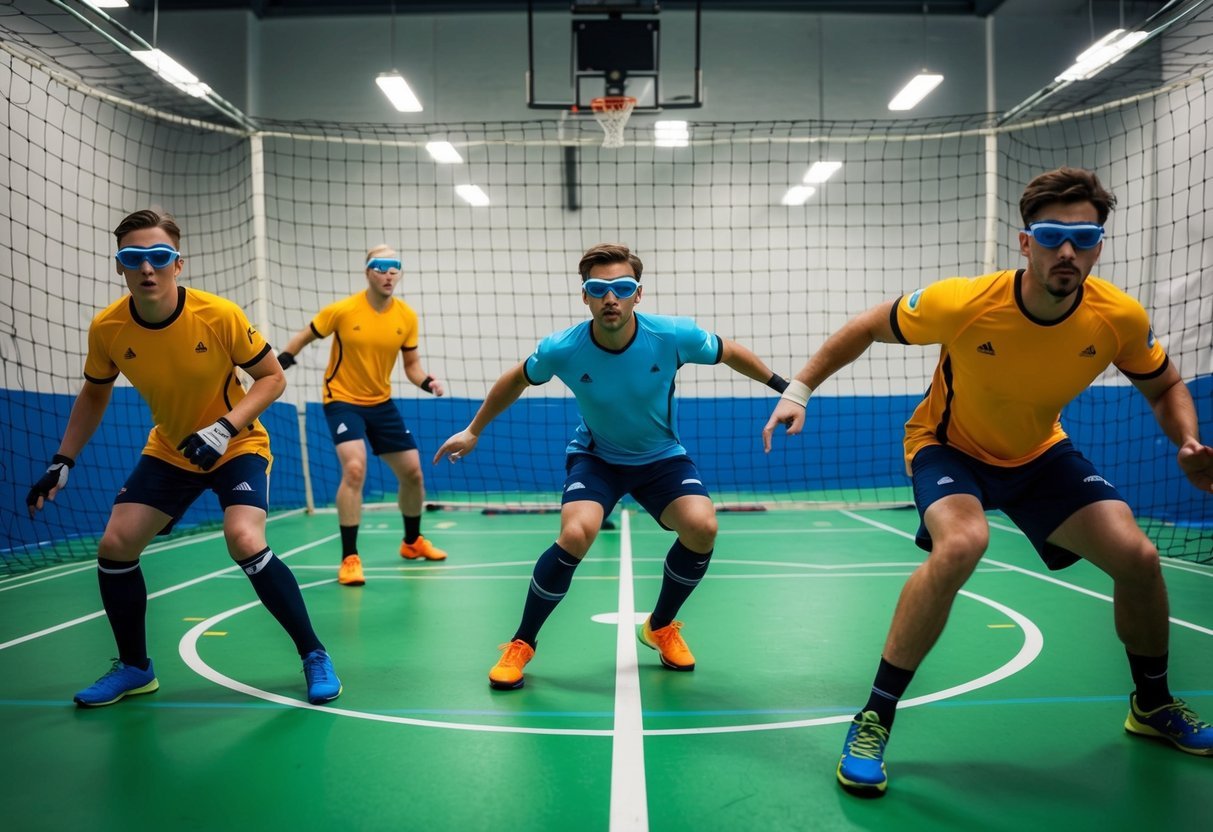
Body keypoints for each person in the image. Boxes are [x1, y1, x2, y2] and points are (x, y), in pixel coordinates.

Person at [763, 167, 1213, 794]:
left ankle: (1153, 705)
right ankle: (874, 716)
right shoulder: (965, 302)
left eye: (1083, 238)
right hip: (948, 448)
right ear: (1025, 242)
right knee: (961, 544)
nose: (1067, 251)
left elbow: (1163, 383)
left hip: (1039, 454)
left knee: (1138, 556)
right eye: (1052, 235)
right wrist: (800, 390)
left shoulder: (1118, 318)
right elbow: (868, 325)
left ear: (1099, 247)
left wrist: (1186, 440)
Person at [434, 242, 788, 689]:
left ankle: (660, 625)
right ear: (584, 295)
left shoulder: (673, 335)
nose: (610, 298)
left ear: (638, 293)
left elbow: (729, 351)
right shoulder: (563, 348)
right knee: (577, 532)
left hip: (660, 457)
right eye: (598, 288)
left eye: (621, 287)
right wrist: (473, 429)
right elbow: (515, 378)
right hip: (596, 457)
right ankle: (521, 642)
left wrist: (783, 387)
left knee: (702, 527)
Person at [26, 209, 342, 707]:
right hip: (171, 449)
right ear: (120, 267)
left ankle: (314, 654)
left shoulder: (219, 315)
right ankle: (135, 668)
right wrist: (62, 460)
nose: (147, 268)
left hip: (236, 443)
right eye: (134, 258)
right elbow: (93, 395)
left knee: (243, 538)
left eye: (159, 257)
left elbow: (272, 378)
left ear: (178, 264)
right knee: (115, 544)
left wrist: (225, 427)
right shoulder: (107, 328)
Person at [277, 246, 447, 587]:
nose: (388, 274)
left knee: (413, 472)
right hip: (341, 399)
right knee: (354, 468)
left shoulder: (406, 317)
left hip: (381, 402)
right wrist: (280, 362)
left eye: (394, 268)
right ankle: (350, 557)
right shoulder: (342, 311)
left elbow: (412, 366)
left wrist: (427, 382)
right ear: (368, 272)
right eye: (380, 267)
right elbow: (304, 336)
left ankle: (412, 542)